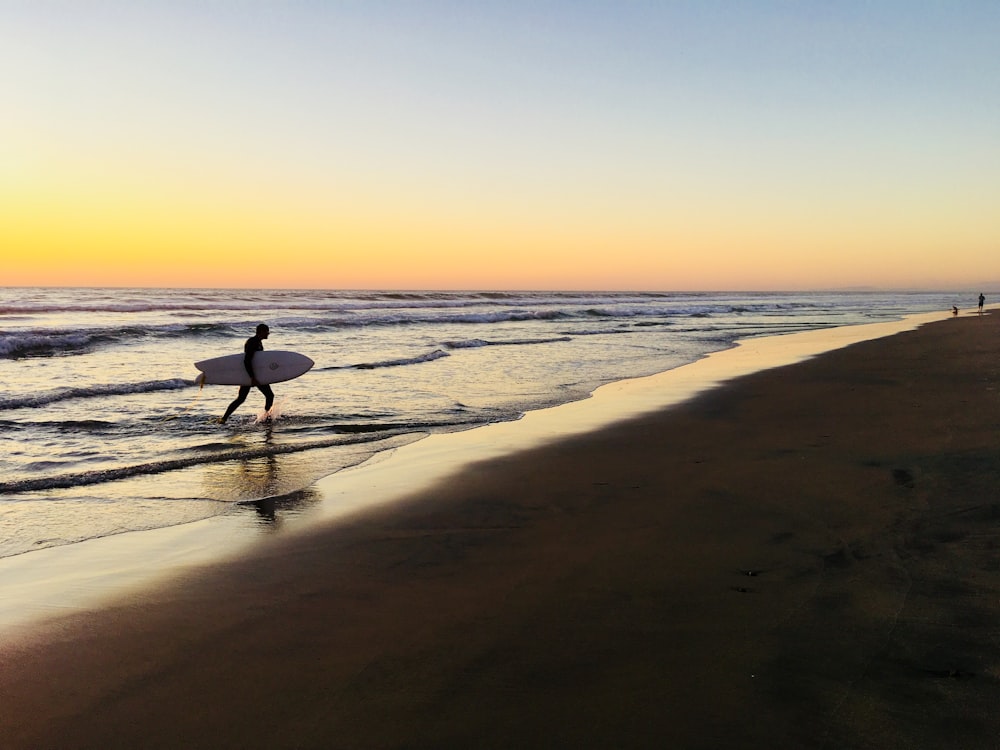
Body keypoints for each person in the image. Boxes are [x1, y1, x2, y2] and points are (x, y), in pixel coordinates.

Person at [220, 323, 274, 423]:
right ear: (261, 332)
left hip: (254, 374)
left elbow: (257, 361)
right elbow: (247, 360)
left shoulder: (258, 342)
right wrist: (252, 377)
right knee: (266, 396)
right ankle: (267, 418)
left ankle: (224, 418)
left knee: (244, 398)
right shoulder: (252, 342)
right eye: (267, 332)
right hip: (251, 374)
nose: (268, 334)